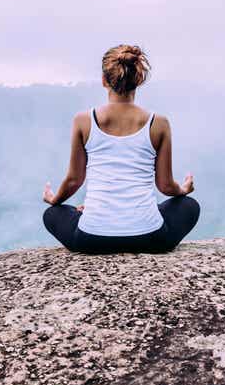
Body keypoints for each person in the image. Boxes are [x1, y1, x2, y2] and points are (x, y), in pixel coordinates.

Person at [42, 44, 200, 253]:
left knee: (52, 214)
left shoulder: (83, 120)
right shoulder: (158, 123)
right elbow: (165, 185)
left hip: (91, 239)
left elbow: (73, 181)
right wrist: (183, 189)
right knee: (189, 206)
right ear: (138, 81)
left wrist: (54, 199)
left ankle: (94, 214)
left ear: (104, 80)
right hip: (152, 238)